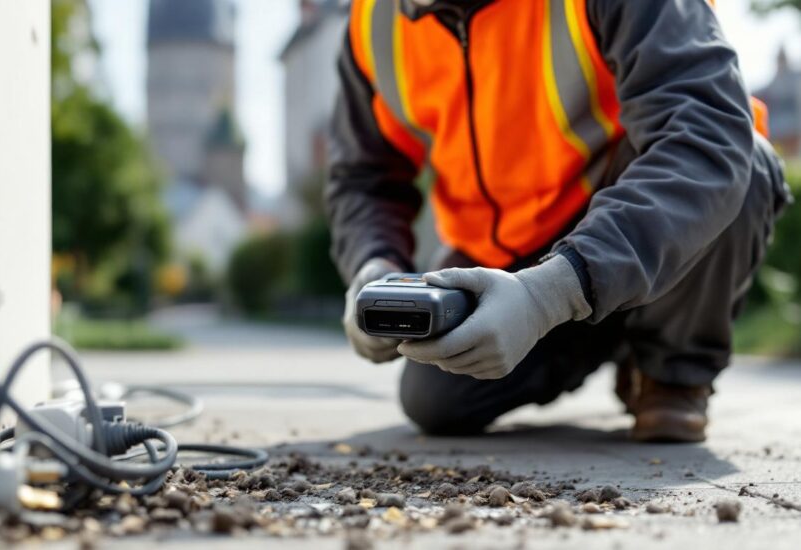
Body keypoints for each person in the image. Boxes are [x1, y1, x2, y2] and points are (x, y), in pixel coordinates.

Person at [325, 0, 789, 442]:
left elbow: (704, 137)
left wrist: (550, 293)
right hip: (502, 266)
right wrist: (372, 265)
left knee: (743, 160)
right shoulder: (372, 20)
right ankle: (614, 331)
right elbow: (363, 178)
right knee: (437, 402)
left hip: (625, 218)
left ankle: (670, 371)